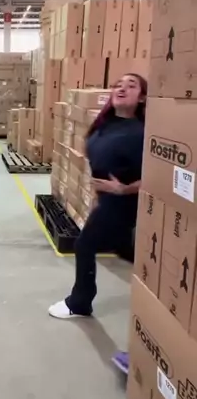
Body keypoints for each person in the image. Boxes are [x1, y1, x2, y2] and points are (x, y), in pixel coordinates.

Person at [48, 73, 147, 325]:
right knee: (125, 249)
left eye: (131, 86)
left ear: (142, 98)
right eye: (118, 85)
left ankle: (80, 303)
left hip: (123, 202)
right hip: (106, 199)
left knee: (84, 245)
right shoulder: (106, 123)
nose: (122, 88)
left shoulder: (141, 133)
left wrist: (124, 189)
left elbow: (157, 177)